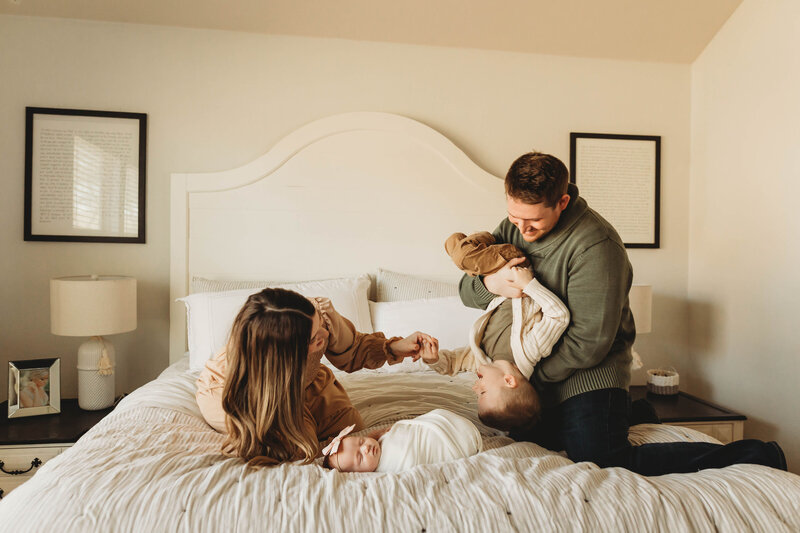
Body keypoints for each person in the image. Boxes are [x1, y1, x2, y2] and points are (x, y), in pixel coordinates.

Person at [458, 151, 787, 475]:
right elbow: (465, 292)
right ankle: (633, 413)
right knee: (527, 439)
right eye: (515, 218)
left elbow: (589, 343)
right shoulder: (511, 227)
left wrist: (525, 375)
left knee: (601, 459)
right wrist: (494, 281)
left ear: (562, 202)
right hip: (536, 374)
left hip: (588, 374)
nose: (522, 230)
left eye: (533, 221)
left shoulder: (596, 245)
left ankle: (758, 453)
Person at [195, 288, 437, 467]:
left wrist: (394, 347)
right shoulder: (224, 398)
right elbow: (299, 451)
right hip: (270, 397)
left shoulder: (308, 316)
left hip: (307, 386)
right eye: (316, 339)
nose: (326, 334)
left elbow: (350, 347)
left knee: (351, 427)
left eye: (321, 325)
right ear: (288, 360)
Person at [321, 409, 483, 473]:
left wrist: (376, 435)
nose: (366, 448)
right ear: (359, 474)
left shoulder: (380, 440)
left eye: (361, 441)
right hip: (454, 443)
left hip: (444, 425)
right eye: (360, 458)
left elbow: (404, 431)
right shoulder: (385, 470)